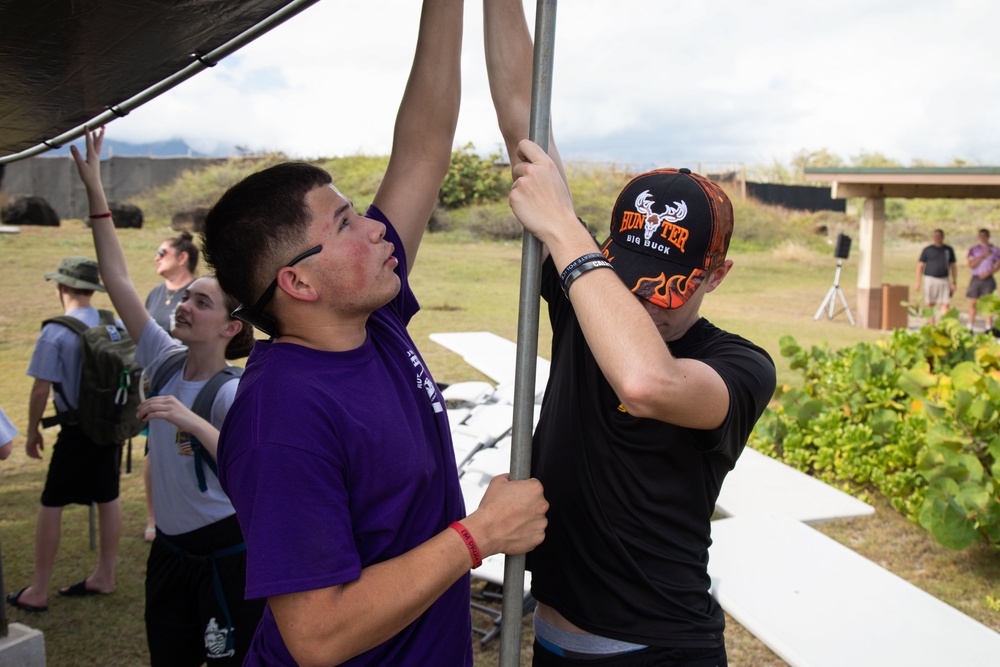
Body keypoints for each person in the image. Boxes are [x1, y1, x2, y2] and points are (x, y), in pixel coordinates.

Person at [200, 1, 547, 665]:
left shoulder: (373, 323)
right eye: (345, 225)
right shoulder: (282, 418)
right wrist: (478, 537)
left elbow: (421, 151)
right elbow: (316, 633)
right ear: (299, 285)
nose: (374, 230)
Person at [486, 2, 776, 664]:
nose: (642, 304)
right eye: (631, 277)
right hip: (552, 638)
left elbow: (647, 381)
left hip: (659, 648)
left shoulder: (739, 365)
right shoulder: (594, 291)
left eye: (664, 288)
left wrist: (565, 232)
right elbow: (520, 121)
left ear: (717, 274)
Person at [71, 126, 263, 666]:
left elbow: (255, 474)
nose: (183, 305)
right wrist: (96, 189)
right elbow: (117, 281)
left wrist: (189, 419)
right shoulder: (164, 359)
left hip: (225, 552)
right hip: (171, 553)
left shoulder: (231, 393)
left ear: (230, 329)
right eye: (185, 297)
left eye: (201, 303)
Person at [7, 256, 123, 614]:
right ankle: (106, 573)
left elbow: (41, 389)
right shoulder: (112, 322)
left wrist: (31, 433)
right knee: (108, 496)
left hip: (75, 430)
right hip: (111, 426)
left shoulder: (55, 331)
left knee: (51, 503)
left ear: (62, 287)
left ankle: (38, 589)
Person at [142, 230, 200, 541]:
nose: (156, 257)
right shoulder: (155, 294)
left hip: (193, 382)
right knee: (154, 452)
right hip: (158, 383)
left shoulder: (198, 291)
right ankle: (154, 517)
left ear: (182, 257)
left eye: (162, 252)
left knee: (189, 449)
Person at [914, 228, 957, 325]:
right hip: (930, 278)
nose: (937, 238)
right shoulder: (927, 250)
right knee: (930, 303)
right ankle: (931, 324)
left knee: (945, 303)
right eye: (936, 236)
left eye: (939, 236)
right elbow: (920, 266)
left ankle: (944, 325)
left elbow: (953, 266)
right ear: (933, 238)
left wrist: (954, 281)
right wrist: (918, 282)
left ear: (943, 237)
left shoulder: (948, 250)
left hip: (944, 279)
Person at [965, 228, 1000, 333]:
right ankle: (969, 326)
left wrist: (988, 273)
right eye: (981, 236)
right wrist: (982, 256)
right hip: (976, 278)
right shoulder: (974, 249)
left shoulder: (995, 250)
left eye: (985, 236)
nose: (983, 238)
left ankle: (988, 327)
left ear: (988, 237)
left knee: (987, 303)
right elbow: (971, 265)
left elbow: (998, 265)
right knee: (973, 302)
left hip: (988, 279)